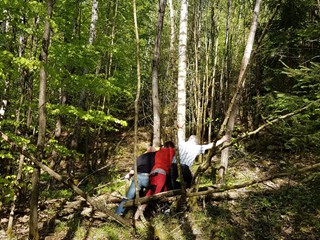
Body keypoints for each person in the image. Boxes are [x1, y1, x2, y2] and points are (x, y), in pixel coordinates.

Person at [134, 141, 175, 219]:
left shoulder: (159, 151)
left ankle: (164, 212)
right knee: (150, 194)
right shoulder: (170, 150)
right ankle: (137, 216)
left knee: (164, 191)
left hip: (154, 172)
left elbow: (151, 150)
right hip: (160, 174)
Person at [115, 150, 156, 215]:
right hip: (148, 178)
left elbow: (132, 172)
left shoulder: (140, 157)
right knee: (154, 192)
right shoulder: (155, 156)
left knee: (128, 197)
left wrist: (129, 176)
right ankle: (151, 212)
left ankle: (118, 213)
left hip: (138, 178)